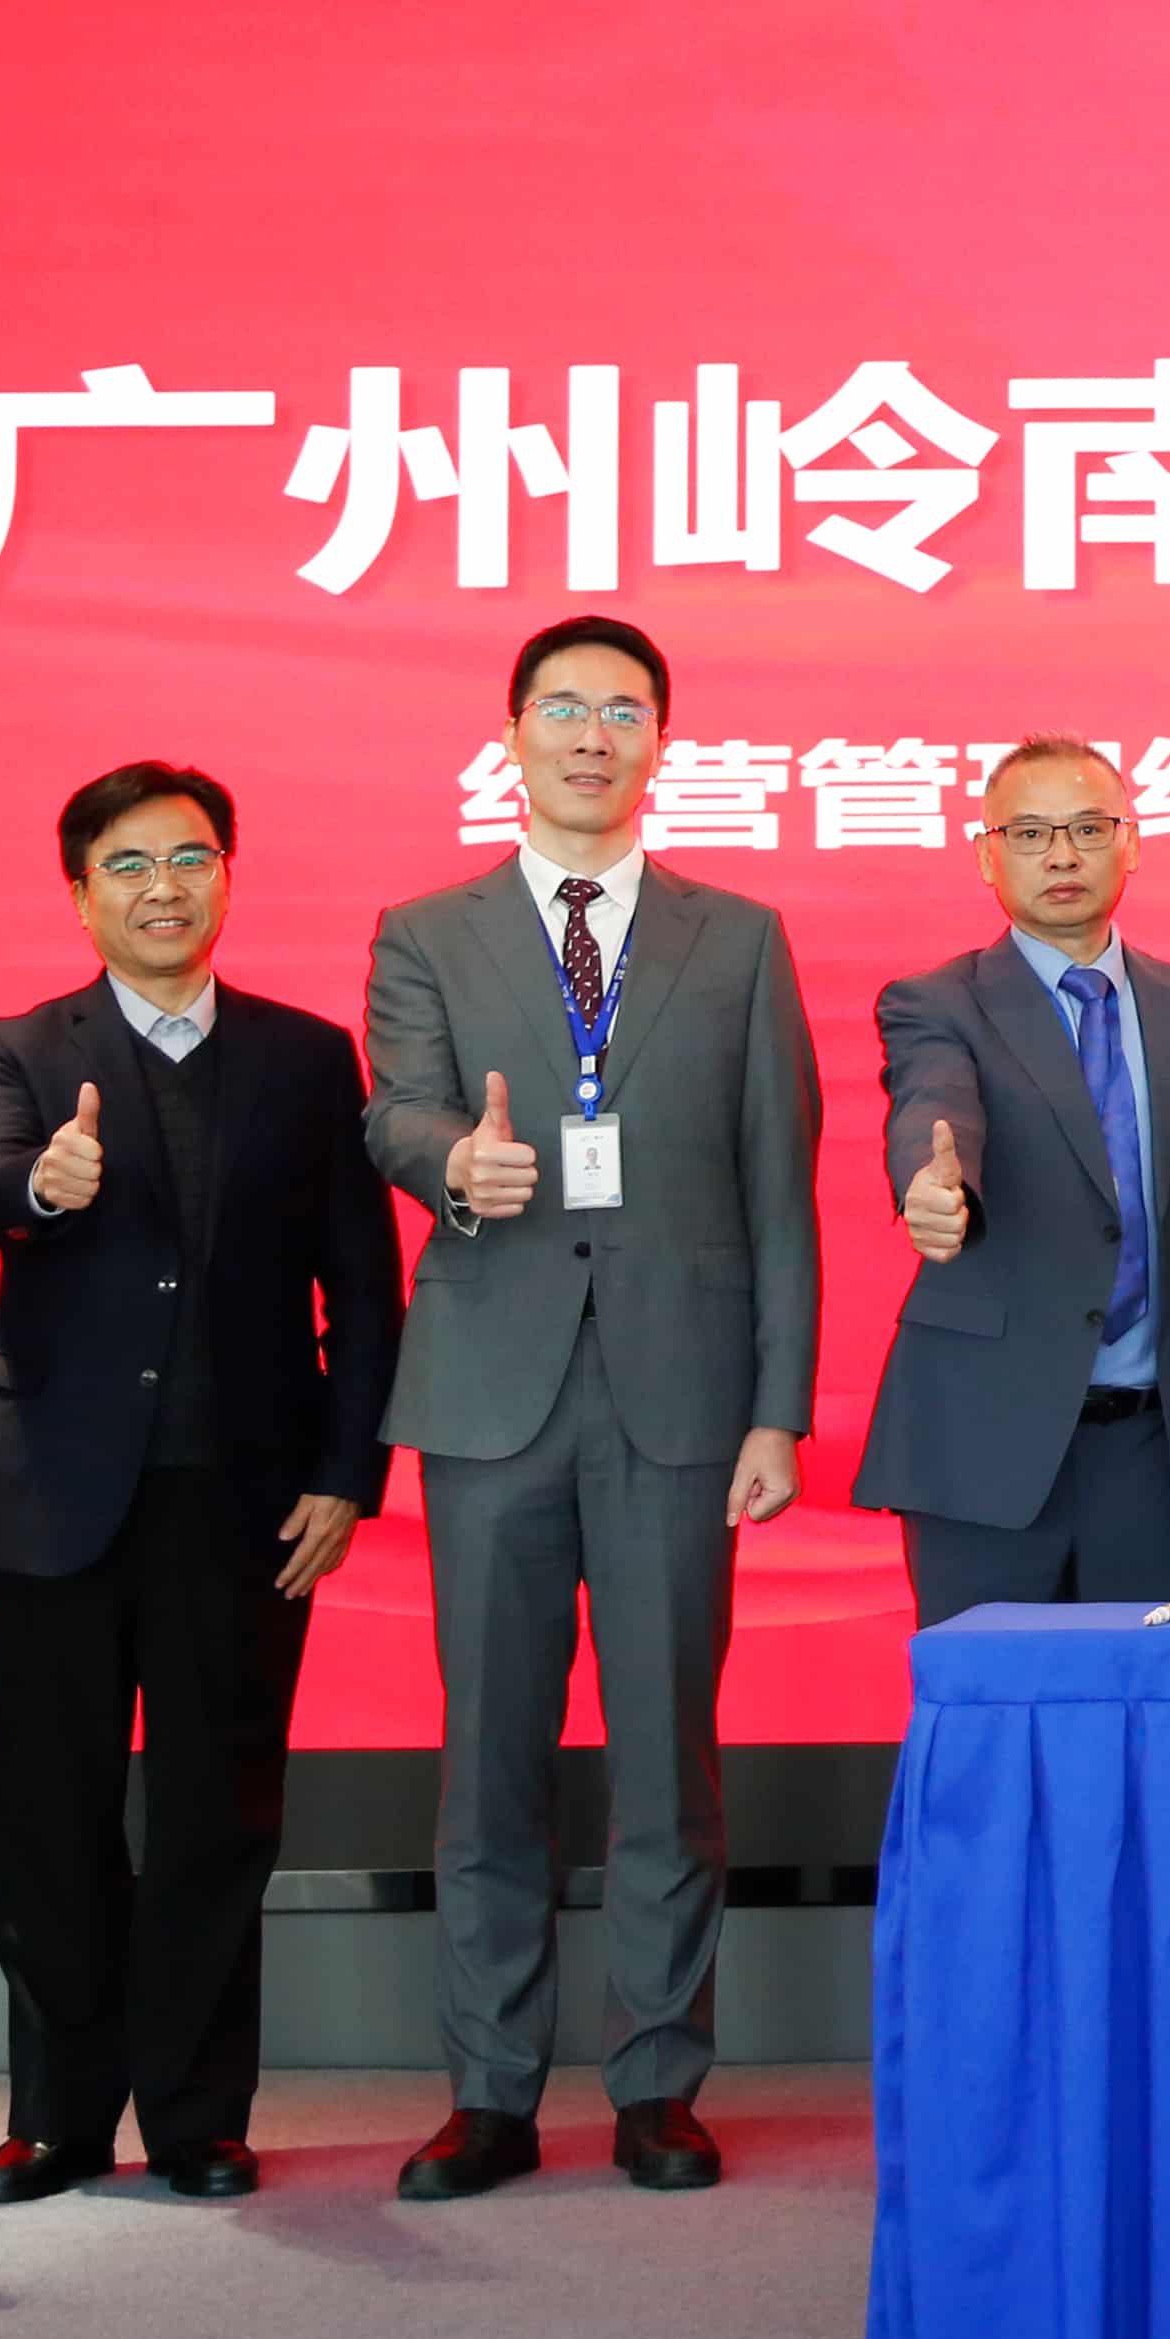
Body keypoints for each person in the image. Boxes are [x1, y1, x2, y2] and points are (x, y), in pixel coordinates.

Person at [365, 615, 822, 2203]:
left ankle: (657, 2083)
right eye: (562, 708)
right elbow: (394, 1107)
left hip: (681, 1404)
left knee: (665, 1757)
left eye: (623, 711)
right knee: (488, 1755)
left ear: (659, 745)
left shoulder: (737, 938)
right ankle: (489, 2092)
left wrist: (778, 1409)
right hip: (492, 1394)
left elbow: (780, 1185)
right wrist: (452, 1163)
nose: (590, 736)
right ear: (510, 735)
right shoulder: (428, 930)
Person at [0, 762, 401, 2206]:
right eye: (128, 865)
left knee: (219, 1807)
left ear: (227, 877)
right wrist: (45, 1186)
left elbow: (363, 1285)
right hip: (57, 1497)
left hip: (247, 1498)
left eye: (190, 858)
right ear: (80, 894)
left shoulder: (306, 1056)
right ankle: (57, 2114)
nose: (163, 888)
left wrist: (348, 1471)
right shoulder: (15, 1048)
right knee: (47, 1808)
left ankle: (198, 2113)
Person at [858, 738, 1170, 1611]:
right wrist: (933, 1188)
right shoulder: (938, 1002)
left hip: (1160, 1450)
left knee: (1151, 1689)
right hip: (985, 1440)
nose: (1062, 855)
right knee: (989, 1688)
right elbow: (934, 1102)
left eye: (1087, 828)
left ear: (1131, 842)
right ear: (986, 856)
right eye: (1031, 833)